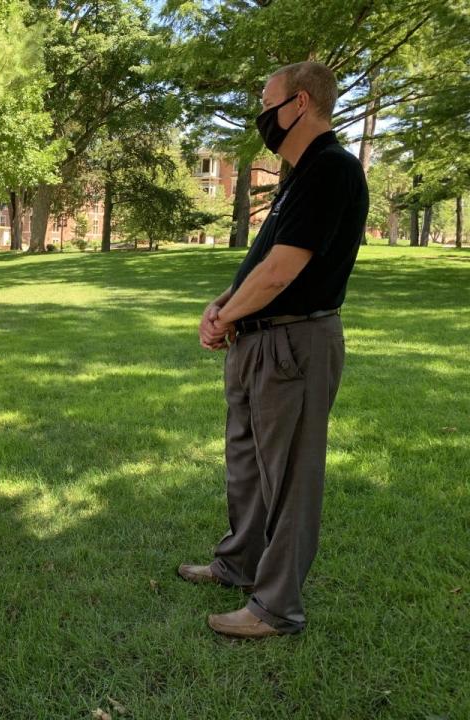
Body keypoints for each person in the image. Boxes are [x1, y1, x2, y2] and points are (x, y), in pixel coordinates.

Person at [178, 62, 369, 638]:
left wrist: (224, 318)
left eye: (267, 102)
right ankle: (238, 565)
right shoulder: (297, 175)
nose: (261, 114)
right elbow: (261, 262)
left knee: (289, 478)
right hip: (258, 342)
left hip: (295, 342)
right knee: (247, 467)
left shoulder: (331, 170)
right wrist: (223, 306)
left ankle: (275, 607)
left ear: (301, 102)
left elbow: (285, 271)